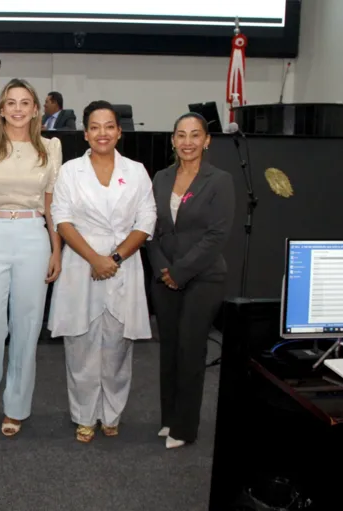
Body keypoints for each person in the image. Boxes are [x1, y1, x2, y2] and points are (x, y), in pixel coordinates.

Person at [48, 100, 157, 443]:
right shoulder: (69, 171)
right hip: (82, 262)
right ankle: (83, 415)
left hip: (123, 264)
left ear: (119, 131)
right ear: (85, 133)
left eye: (109, 126)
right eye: (95, 127)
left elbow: (147, 219)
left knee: (117, 349)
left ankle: (111, 414)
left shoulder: (137, 170)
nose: (102, 133)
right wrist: (95, 259)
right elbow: (61, 218)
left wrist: (115, 258)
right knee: (80, 346)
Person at [0, 78, 62, 436]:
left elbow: (53, 204)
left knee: (27, 324)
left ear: (36, 109)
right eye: (11, 103)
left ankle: (17, 405)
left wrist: (56, 248)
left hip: (33, 236)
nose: (18, 109)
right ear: (1, 109)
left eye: (25, 103)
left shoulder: (51, 147)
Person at [146, 112, 235, 449]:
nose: (187, 142)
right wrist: (161, 268)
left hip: (203, 277)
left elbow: (217, 235)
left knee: (190, 348)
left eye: (195, 135)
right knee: (169, 349)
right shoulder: (161, 177)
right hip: (163, 275)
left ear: (206, 140)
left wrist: (180, 272)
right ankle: (169, 419)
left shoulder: (219, 180)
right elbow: (149, 227)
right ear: (172, 140)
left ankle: (185, 427)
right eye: (181, 135)